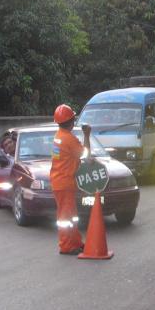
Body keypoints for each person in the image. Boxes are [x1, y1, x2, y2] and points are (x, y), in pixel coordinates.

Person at [50, 104, 91, 255]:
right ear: (71, 121)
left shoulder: (58, 137)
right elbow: (85, 155)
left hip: (60, 181)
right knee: (66, 218)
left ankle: (75, 242)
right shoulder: (68, 139)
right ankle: (66, 246)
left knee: (70, 216)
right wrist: (87, 135)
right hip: (65, 182)